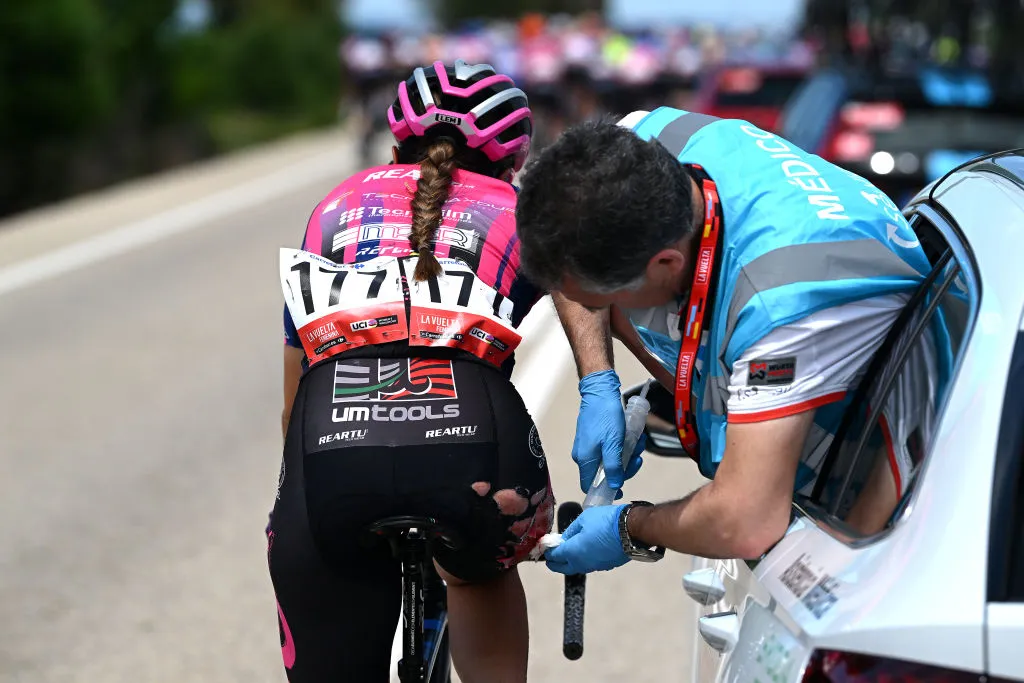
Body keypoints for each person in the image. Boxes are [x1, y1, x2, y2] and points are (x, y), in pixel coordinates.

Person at [513, 109, 939, 575]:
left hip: (869, 528)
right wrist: (597, 378)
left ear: (665, 264)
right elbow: (564, 234)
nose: (588, 309)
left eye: (603, 301)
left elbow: (746, 519)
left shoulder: (784, 309)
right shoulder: (647, 144)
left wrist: (629, 527)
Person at [269, 60, 552, 682]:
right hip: (476, 455)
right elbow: (593, 305)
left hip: (332, 443)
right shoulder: (516, 208)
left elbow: (293, 402)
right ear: (515, 159)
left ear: (396, 143)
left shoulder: (334, 206)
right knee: (482, 573)